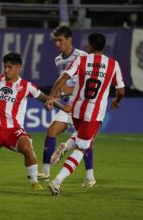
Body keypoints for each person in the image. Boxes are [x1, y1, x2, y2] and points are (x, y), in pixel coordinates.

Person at [0, 52, 69, 190]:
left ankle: (34, 181)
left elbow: (45, 97)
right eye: (5, 67)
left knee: (27, 147)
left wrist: (63, 107)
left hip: (14, 130)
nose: (6, 70)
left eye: (10, 67)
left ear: (18, 67)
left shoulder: (26, 86)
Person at [45, 32, 125, 196]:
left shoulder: (81, 60)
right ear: (104, 47)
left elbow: (63, 78)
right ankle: (57, 181)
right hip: (94, 114)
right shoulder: (113, 64)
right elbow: (121, 90)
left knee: (82, 138)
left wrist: (51, 97)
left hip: (77, 110)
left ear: (90, 46)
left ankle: (67, 145)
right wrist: (117, 101)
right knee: (83, 148)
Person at [38, 25, 97, 188]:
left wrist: (67, 91)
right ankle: (45, 171)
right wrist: (54, 98)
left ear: (69, 39)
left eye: (60, 40)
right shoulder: (58, 59)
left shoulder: (83, 56)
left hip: (81, 105)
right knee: (51, 131)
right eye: (56, 40)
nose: (57, 44)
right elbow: (62, 83)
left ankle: (89, 176)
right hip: (66, 106)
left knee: (85, 140)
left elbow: (89, 84)